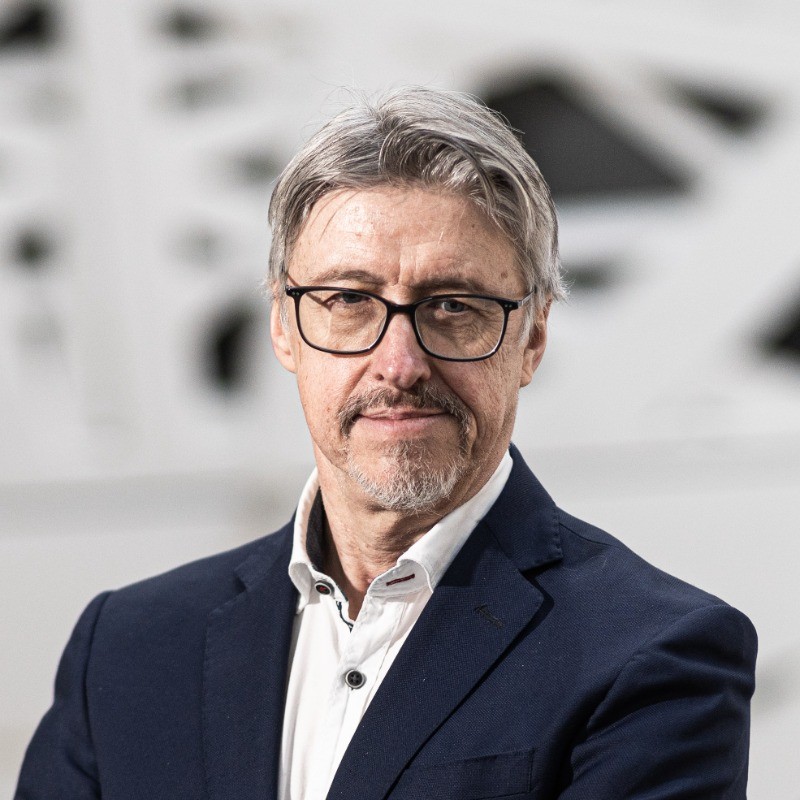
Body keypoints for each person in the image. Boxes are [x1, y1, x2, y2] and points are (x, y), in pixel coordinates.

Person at [16, 87, 756, 800]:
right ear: (282, 326)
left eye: (453, 306)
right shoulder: (128, 649)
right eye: (347, 300)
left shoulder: (654, 658)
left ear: (532, 337)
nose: (399, 364)